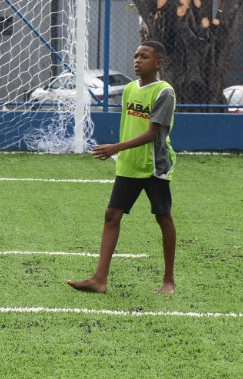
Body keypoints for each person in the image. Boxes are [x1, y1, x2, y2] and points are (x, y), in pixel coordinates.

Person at [67, 41, 177, 295]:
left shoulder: (164, 92)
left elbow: (152, 133)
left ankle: (168, 280)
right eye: (136, 55)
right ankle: (99, 280)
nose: (137, 60)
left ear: (158, 63)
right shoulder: (129, 89)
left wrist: (116, 148)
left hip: (153, 165)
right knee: (112, 215)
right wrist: (121, 153)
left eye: (144, 57)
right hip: (129, 164)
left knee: (163, 217)